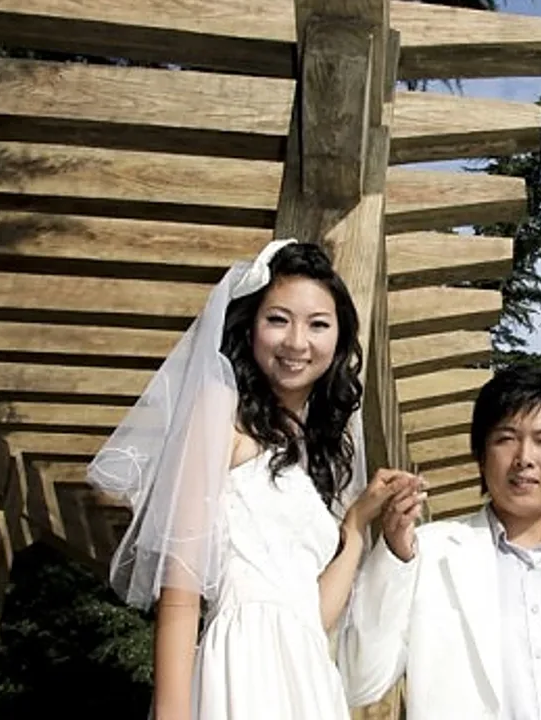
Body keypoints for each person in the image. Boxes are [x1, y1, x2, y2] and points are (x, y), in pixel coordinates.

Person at [87, 239, 422, 720]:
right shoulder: (220, 410)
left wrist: (354, 526)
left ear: (340, 337)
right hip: (243, 663)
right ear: (250, 326)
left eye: (318, 324)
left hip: (308, 678)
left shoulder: (316, 452)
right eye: (278, 319)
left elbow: (311, 616)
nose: (297, 342)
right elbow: (181, 592)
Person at [339, 366, 541, 719]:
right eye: (506, 438)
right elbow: (360, 681)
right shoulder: (426, 555)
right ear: (481, 456)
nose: (524, 458)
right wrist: (393, 558)